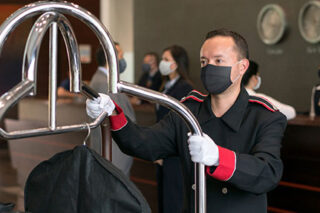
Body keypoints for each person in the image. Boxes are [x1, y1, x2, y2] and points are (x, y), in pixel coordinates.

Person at [86, 29, 287, 213]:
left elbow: (268, 172)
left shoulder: (264, 116)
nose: (209, 68)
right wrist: (113, 113)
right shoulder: (188, 111)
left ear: (242, 67)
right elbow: (145, 143)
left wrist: (218, 157)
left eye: (218, 61)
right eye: (204, 62)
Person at [156, 45, 193, 213]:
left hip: (174, 154)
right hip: (163, 151)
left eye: (166, 59)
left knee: (174, 199)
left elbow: (181, 125)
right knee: (164, 198)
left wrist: (164, 151)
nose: (162, 63)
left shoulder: (185, 89)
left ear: (176, 63)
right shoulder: (165, 85)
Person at [89, 44, 135, 177]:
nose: (122, 58)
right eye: (120, 54)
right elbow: (117, 117)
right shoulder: (105, 83)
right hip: (114, 152)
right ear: (110, 57)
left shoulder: (105, 79)